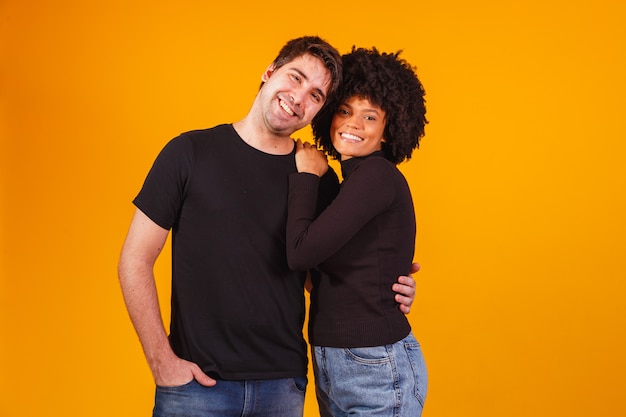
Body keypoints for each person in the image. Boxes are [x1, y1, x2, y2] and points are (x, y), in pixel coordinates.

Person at [117, 36, 419, 417]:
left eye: (315, 95)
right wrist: (162, 362)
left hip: (282, 387)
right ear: (269, 72)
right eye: (295, 78)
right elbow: (135, 258)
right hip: (195, 387)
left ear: (318, 113)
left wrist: (389, 286)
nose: (298, 97)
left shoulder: (317, 174)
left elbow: (322, 273)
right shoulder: (189, 152)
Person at [286, 46, 429, 416]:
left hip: (375, 367)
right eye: (346, 111)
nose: (352, 124)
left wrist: (305, 177)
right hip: (339, 361)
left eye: (370, 116)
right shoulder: (348, 184)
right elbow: (320, 269)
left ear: (388, 129)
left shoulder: (376, 177)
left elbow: (300, 253)